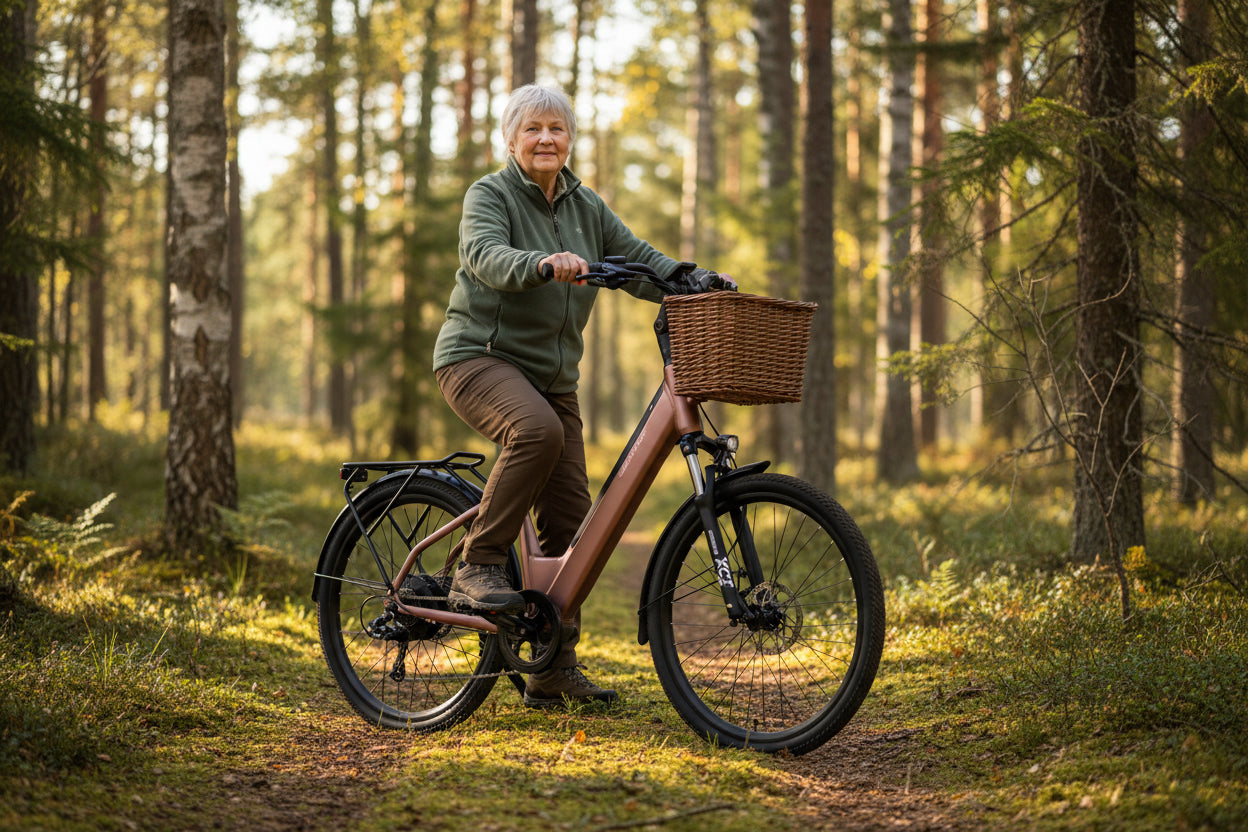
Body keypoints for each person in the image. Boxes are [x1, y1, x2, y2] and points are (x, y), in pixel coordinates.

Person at [432, 84, 719, 709]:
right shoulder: (491, 193)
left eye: (556, 129)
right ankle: (476, 562)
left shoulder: (587, 205)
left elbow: (635, 256)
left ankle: (553, 667)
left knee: (571, 518)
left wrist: (685, 278)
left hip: (554, 378)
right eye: (532, 129)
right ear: (511, 139)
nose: (545, 139)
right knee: (537, 431)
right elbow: (484, 256)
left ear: (569, 140)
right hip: (479, 358)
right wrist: (541, 263)